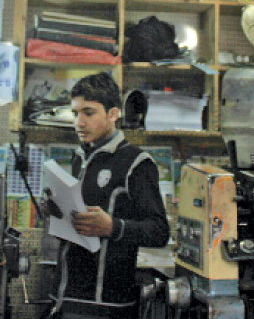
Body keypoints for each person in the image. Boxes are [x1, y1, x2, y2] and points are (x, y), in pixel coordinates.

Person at [44, 72, 169, 319]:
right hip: (67, 299)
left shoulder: (137, 163)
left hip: (106, 307)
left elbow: (159, 231)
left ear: (113, 114)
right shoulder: (80, 157)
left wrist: (113, 227)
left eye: (88, 113)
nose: (79, 122)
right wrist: (56, 210)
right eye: (75, 113)